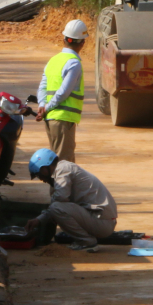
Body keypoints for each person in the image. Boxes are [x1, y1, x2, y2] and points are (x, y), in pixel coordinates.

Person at [24, 148, 118, 250]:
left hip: (102, 223)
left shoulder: (62, 170)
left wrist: (44, 216)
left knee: (56, 207)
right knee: (56, 207)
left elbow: (61, 198)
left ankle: (86, 241)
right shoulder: (63, 169)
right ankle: (86, 239)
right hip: (102, 221)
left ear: (46, 166)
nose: (41, 178)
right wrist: (39, 219)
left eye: (40, 173)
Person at [35, 19, 88, 162]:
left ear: (64, 39)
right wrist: (46, 108)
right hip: (63, 119)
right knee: (64, 164)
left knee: (58, 161)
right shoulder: (74, 63)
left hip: (51, 118)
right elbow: (63, 92)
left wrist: (42, 105)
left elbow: (42, 87)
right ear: (82, 43)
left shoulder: (53, 60)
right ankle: (59, 186)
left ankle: (59, 185)